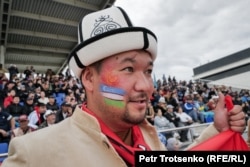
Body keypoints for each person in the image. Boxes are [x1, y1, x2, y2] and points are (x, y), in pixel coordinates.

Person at [2, 6, 246, 167]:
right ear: (88, 79)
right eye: (128, 69)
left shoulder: (147, 137)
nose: (146, 86)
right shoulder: (34, 154)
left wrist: (217, 129)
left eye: (148, 71)